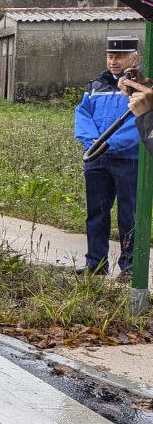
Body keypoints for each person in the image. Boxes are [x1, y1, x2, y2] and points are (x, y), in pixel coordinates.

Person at [74, 36, 141, 277]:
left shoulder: (142, 86)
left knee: (129, 214)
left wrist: (109, 143)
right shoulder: (96, 85)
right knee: (96, 212)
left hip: (128, 158)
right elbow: (82, 113)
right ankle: (96, 263)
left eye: (119, 56)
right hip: (97, 158)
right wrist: (90, 140)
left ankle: (130, 267)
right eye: (110, 56)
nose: (113, 61)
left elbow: (139, 122)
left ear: (134, 57)